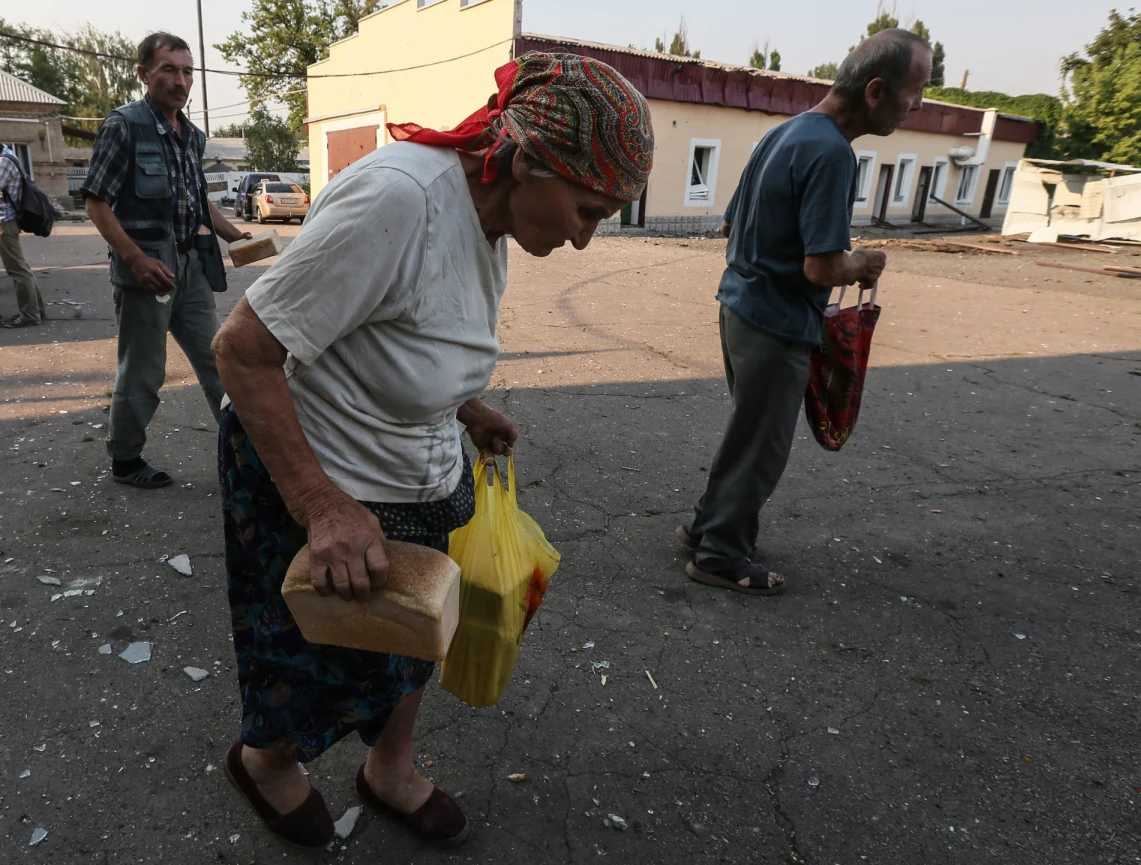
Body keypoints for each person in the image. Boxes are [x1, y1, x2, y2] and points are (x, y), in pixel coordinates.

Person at [211, 52, 653, 849]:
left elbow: (400, 330)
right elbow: (243, 350)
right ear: (525, 162)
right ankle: (264, 762)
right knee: (310, 652)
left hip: (416, 470)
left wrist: (465, 407)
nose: (585, 239)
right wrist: (320, 506)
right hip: (322, 468)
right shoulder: (400, 200)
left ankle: (389, 769)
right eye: (588, 210)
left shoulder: (490, 212)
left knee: (414, 639)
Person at [679, 29, 931, 595]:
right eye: (915, 91)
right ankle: (720, 556)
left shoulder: (785, 132)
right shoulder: (832, 152)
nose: (917, 105)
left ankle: (705, 530)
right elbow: (821, 268)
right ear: (875, 91)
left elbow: (729, 223)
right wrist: (862, 263)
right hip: (775, 324)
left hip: (739, 308)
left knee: (746, 435)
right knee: (761, 449)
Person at [81, 32, 252, 489]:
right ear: (144, 74)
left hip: (191, 268)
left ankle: (246, 454)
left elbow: (196, 198)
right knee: (143, 371)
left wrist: (233, 235)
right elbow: (96, 202)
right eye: (169, 70)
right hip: (148, 274)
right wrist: (136, 259)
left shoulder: (191, 136)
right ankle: (125, 459)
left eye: (187, 71)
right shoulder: (125, 126)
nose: (181, 81)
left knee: (221, 359)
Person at [0, 143, 48, 328]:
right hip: (7, 221)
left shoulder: (4, 161)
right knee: (21, 268)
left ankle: (30, 315)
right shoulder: (8, 153)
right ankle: (37, 310)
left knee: (18, 270)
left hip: (4, 222)